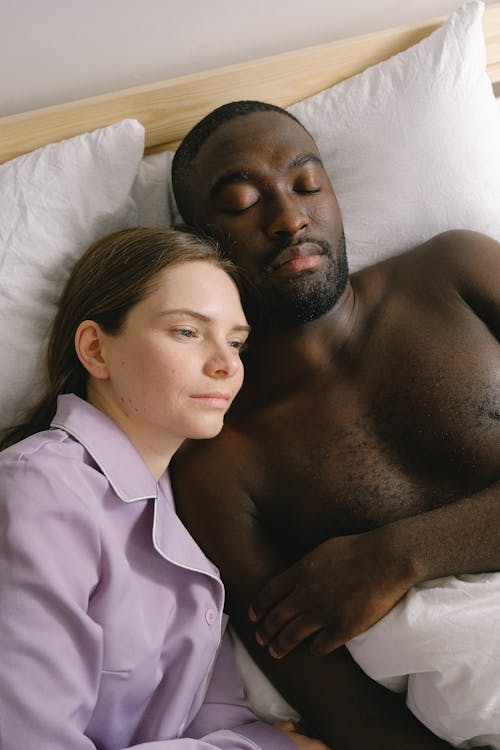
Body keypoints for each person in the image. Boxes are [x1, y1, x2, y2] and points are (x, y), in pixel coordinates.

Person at [169, 101, 500, 750]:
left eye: (307, 184)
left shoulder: (459, 271)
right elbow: (352, 719)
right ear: (200, 240)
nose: (290, 218)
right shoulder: (216, 458)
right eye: (240, 201)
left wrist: (396, 555)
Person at [0, 225, 328, 750]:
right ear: (95, 350)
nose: (226, 364)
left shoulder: (188, 503)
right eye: (187, 332)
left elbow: (215, 718)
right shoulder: (40, 489)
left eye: (237, 341)